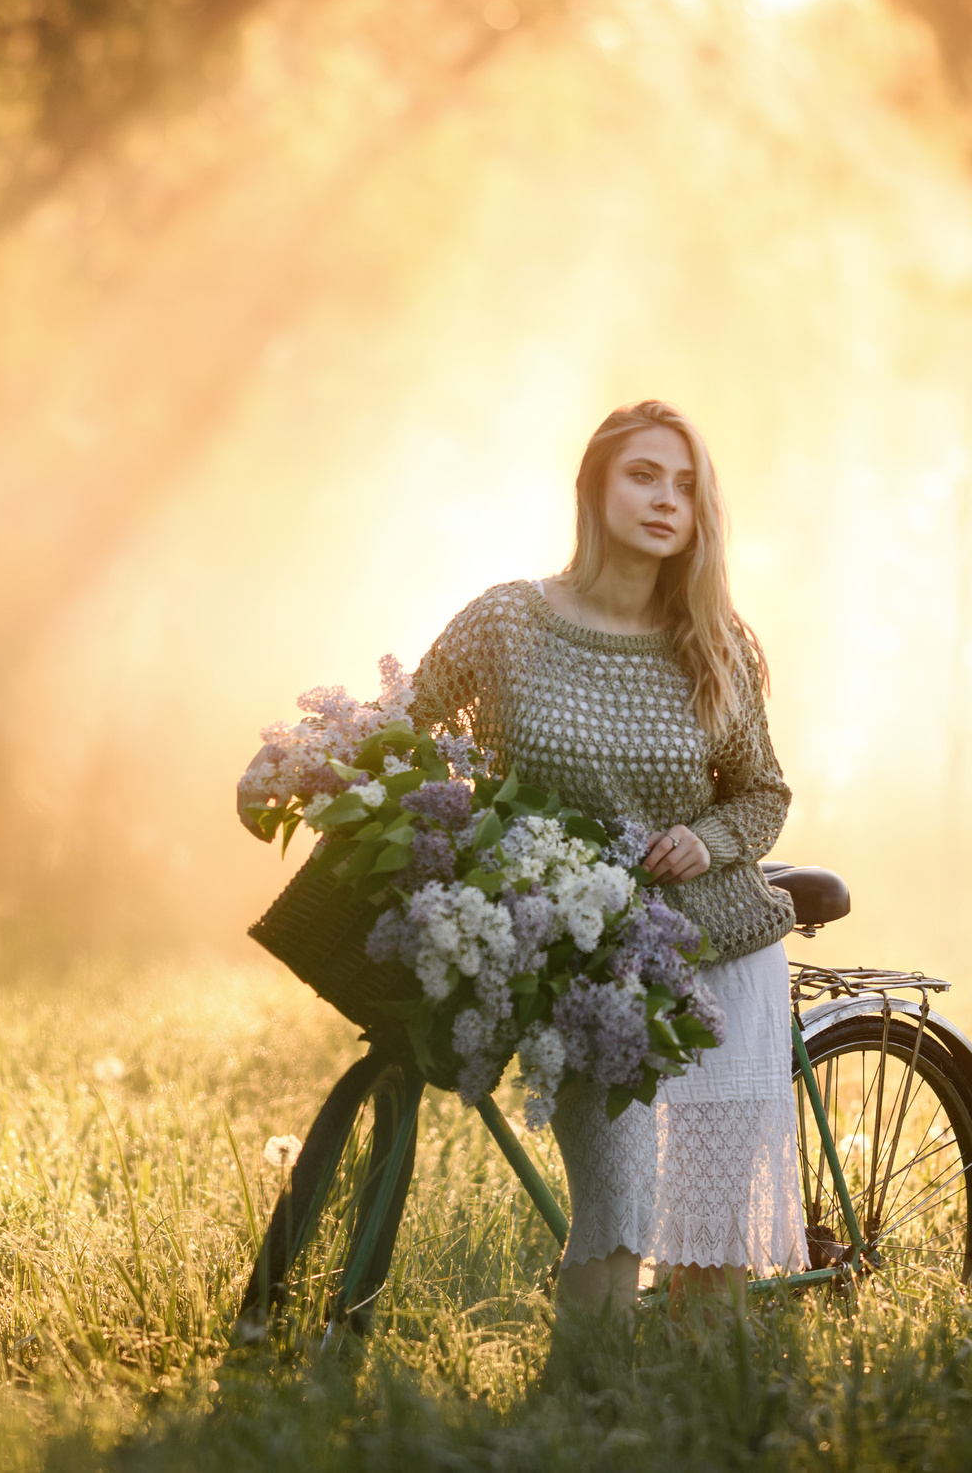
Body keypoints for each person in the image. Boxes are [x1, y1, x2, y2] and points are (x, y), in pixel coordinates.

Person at [244, 399, 804, 1322]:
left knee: (712, 1251)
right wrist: (291, 762)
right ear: (592, 486)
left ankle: (706, 1409)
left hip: (722, 950)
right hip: (587, 960)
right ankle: (587, 1409)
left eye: (687, 485)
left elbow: (765, 791)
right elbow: (398, 727)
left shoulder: (716, 640)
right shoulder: (508, 622)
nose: (667, 499)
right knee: (618, 1212)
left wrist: (710, 838)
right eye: (643, 475)